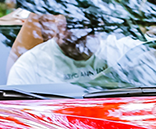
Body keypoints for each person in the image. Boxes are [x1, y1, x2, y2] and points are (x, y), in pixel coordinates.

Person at [7, 14, 146, 87]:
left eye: (91, 24)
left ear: (101, 26)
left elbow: (152, 50)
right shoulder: (30, 66)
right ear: (58, 26)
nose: (82, 33)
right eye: (73, 24)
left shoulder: (121, 49)